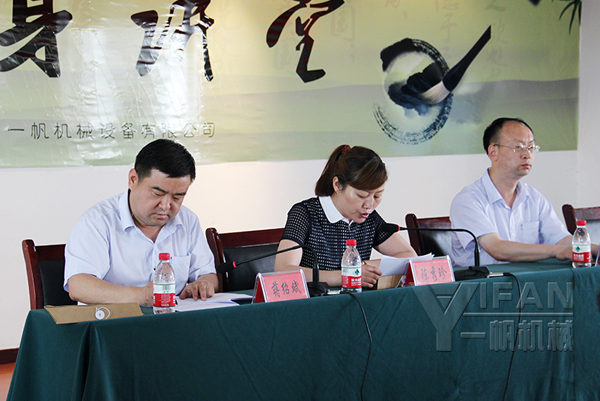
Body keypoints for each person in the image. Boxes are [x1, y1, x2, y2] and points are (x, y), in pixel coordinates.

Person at [64, 139, 218, 306]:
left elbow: (207, 274)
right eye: (158, 193)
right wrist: (140, 296)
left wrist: (203, 284)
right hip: (113, 320)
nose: (166, 206)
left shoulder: (188, 221)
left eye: (177, 197)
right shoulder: (97, 222)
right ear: (133, 179)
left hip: (171, 319)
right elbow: (79, 286)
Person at [450, 117, 591, 267]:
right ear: (493, 152)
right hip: (481, 280)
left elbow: (561, 240)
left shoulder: (534, 197)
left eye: (531, 147)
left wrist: (594, 249)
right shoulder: (467, 200)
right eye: (518, 147)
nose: (527, 155)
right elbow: (497, 249)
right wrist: (557, 251)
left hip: (528, 278)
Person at [274, 145, 417, 288]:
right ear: (337, 185)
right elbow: (283, 269)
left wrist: (362, 266)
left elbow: (408, 255)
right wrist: (347, 275)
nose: (369, 205)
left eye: (377, 196)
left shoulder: (369, 218)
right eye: (362, 196)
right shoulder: (305, 213)